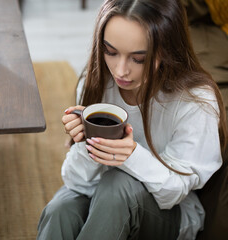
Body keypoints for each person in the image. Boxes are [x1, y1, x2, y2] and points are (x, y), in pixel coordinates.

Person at [37, 0, 228, 239]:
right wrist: (89, 144)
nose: (120, 71)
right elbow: (75, 183)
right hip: (100, 191)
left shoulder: (195, 101)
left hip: (170, 213)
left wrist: (130, 156)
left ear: (167, 50)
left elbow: (175, 193)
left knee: (117, 184)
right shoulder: (96, 81)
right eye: (110, 52)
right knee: (60, 210)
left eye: (138, 59)